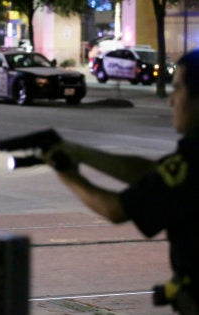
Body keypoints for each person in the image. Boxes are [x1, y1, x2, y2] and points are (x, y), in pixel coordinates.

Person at [42, 50, 199, 314]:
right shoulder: (190, 159)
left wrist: (68, 176)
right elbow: (153, 174)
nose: (171, 101)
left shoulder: (194, 160)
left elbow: (117, 209)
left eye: (179, 89)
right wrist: (80, 153)